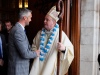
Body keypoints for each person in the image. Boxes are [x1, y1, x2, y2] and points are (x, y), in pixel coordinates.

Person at [29, 6, 74, 75]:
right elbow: (34, 45)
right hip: (38, 66)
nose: (44, 21)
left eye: (47, 20)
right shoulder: (39, 33)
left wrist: (64, 49)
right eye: (44, 19)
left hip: (51, 67)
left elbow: (70, 51)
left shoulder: (60, 34)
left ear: (54, 22)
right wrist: (35, 51)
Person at [7, 8, 40, 75]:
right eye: (30, 17)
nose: (31, 20)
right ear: (25, 18)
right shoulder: (18, 31)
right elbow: (25, 53)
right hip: (18, 71)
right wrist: (36, 53)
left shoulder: (19, 29)